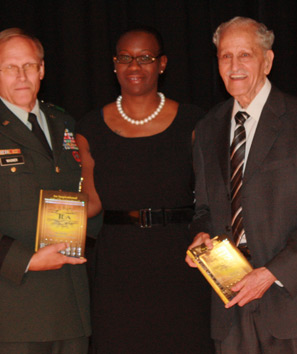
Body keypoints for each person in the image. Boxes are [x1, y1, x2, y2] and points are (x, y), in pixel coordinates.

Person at [0, 28, 100, 354]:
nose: (22, 76)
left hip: (70, 304)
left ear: (42, 70)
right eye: (10, 67)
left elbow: (83, 195)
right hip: (11, 310)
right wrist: (27, 260)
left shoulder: (64, 123)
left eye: (29, 65)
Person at [186, 16, 297, 354]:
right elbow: (205, 209)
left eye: (245, 55)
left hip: (293, 306)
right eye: (226, 56)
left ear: (267, 61)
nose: (234, 66)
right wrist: (201, 234)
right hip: (231, 308)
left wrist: (270, 273)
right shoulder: (207, 128)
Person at [76, 26, 214, 353]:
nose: (134, 66)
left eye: (145, 58)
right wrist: (46, 221)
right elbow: (91, 202)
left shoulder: (195, 122)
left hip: (181, 261)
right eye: (125, 57)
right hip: (118, 266)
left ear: (162, 64)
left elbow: (211, 198)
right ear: (114, 63)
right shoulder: (89, 127)